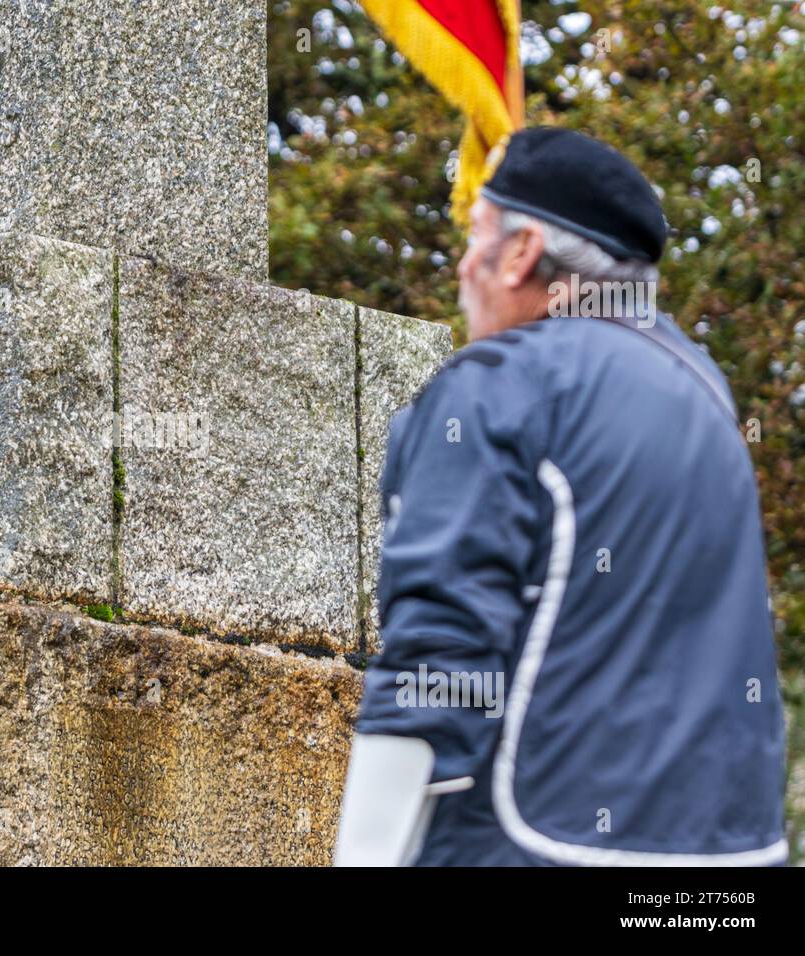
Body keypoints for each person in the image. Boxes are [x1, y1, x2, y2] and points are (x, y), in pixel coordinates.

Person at [334, 127, 786, 866]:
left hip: (535, 841)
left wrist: (366, 851)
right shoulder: (708, 393)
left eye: (476, 233)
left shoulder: (495, 386)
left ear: (519, 253)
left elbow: (437, 658)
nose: (460, 261)